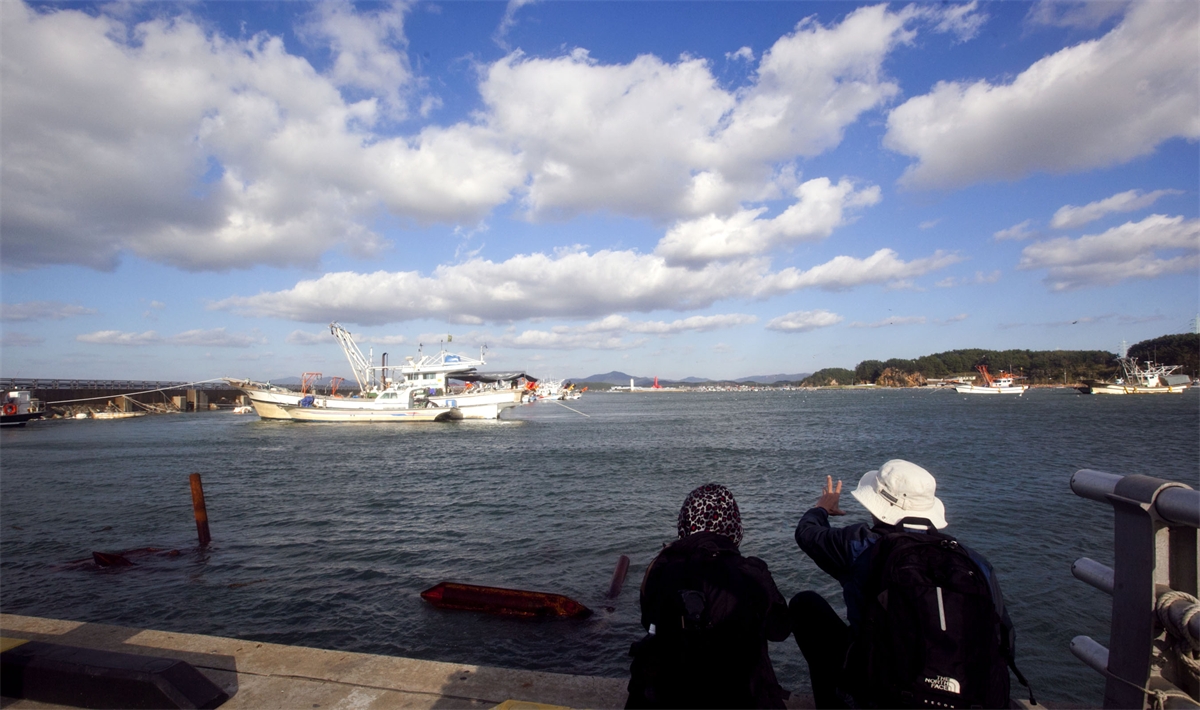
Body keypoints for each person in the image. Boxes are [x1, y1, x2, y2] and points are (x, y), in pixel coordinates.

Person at [789, 459, 1022, 709]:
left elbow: (807, 533)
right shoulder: (974, 562)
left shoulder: (862, 546)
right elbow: (1005, 638)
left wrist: (822, 508)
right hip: (972, 699)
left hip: (885, 697)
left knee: (806, 605)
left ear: (877, 505)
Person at [627, 483, 792, 709]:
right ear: (733, 523)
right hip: (740, 696)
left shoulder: (660, 567)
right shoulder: (752, 571)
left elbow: (649, 621)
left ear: (685, 521)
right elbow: (779, 630)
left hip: (669, 694)